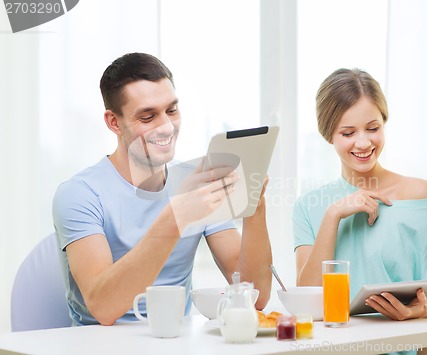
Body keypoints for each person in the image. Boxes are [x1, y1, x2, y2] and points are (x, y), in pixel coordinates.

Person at [52, 52, 272, 326]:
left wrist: (253, 205)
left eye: (171, 110)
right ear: (113, 122)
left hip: (173, 342)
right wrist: (177, 216)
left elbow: (256, 296)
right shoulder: (79, 194)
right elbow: (104, 308)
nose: (166, 126)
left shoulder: (198, 180)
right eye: (147, 117)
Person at [293, 68, 427, 322]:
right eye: (348, 133)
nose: (363, 143)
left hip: (414, 343)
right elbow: (307, 303)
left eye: (372, 128)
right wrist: (333, 215)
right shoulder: (309, 206)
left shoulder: (420, 195)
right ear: (328, 134)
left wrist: (420, 310)